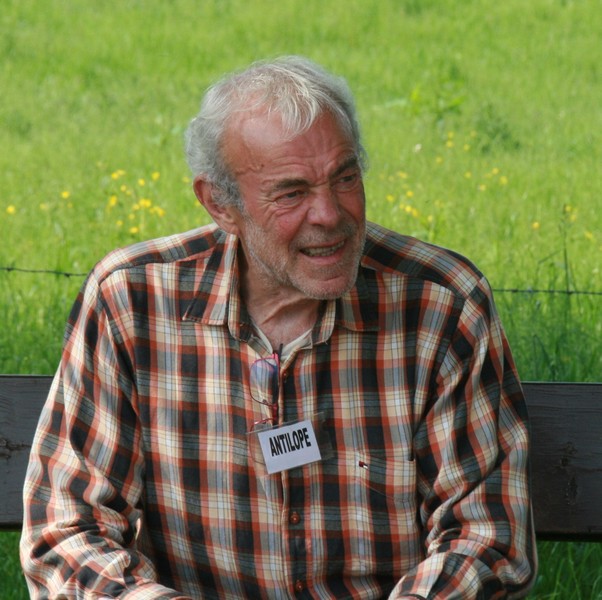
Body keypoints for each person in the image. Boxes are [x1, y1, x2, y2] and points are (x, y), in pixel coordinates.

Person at [21, 55, 537, 599]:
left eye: (345, 178)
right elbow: (68, 529)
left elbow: (485, 535)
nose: (330, 214)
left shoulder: (440, 306)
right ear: (220, 204)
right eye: (292, 193)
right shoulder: (131, 302)